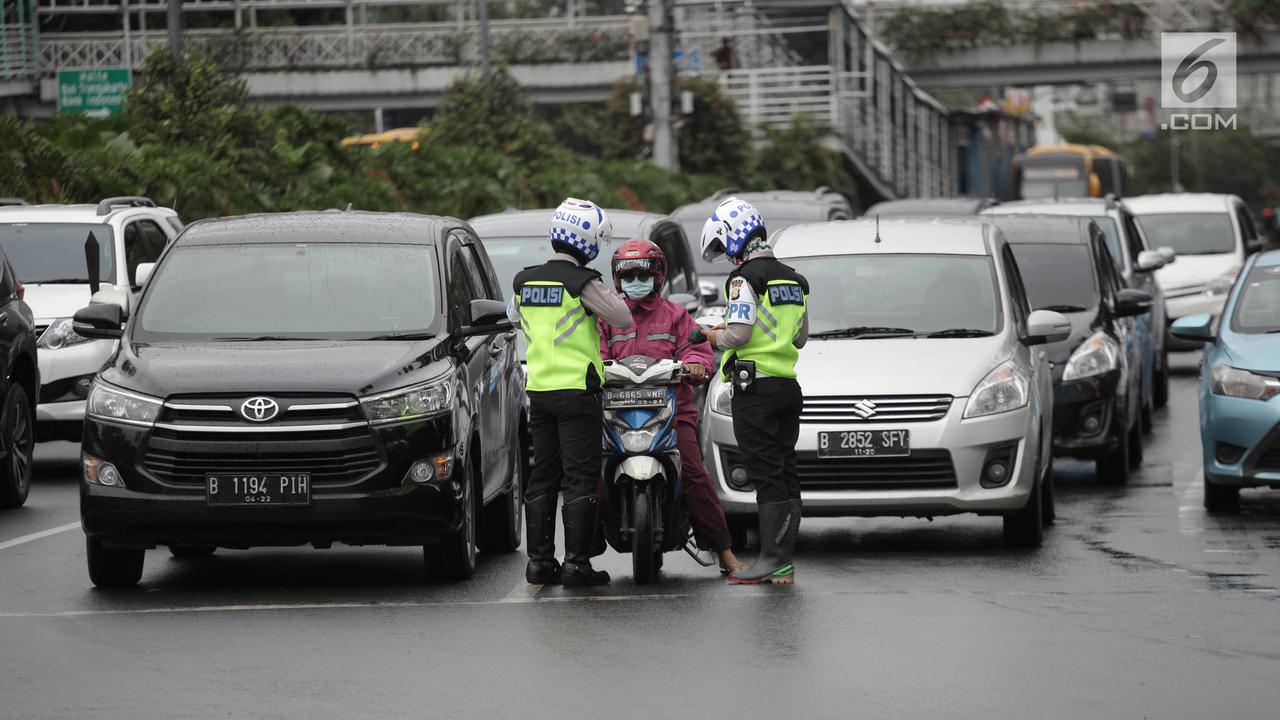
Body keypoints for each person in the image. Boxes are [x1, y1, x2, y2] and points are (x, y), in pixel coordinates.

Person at [598, 239, 746, 575]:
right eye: (628, 275)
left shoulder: (676, 316)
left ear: (658, 276)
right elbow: (597, 353)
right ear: (618, 279)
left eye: (643, 274)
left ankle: (724, 552)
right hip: (616, 415)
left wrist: (696, 365)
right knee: (590, 477)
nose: (636, 280)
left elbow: (697, 349)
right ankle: (580, 558)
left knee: (694, 475)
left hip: (672, 413)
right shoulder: (607, 318)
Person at [509, 198, 633, 588]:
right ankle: (577, 564)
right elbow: (623, 317)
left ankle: (539, 563)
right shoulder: (583, 282)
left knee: (543, 475)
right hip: (578, 392)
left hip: (540, 391)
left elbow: (514, 318)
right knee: (579, 477)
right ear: (588, 241)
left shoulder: (525, 281)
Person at [699, 197, 809, 585]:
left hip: (755, 390)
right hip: (786, 387)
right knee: (785, 470)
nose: (728, 257)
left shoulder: (743, 280)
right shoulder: (794, 279)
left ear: (734, 236)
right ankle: (783, 561)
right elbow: (799, 338)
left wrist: (709, 336)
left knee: (766, 472)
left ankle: (773, 560)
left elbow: (739, 335)